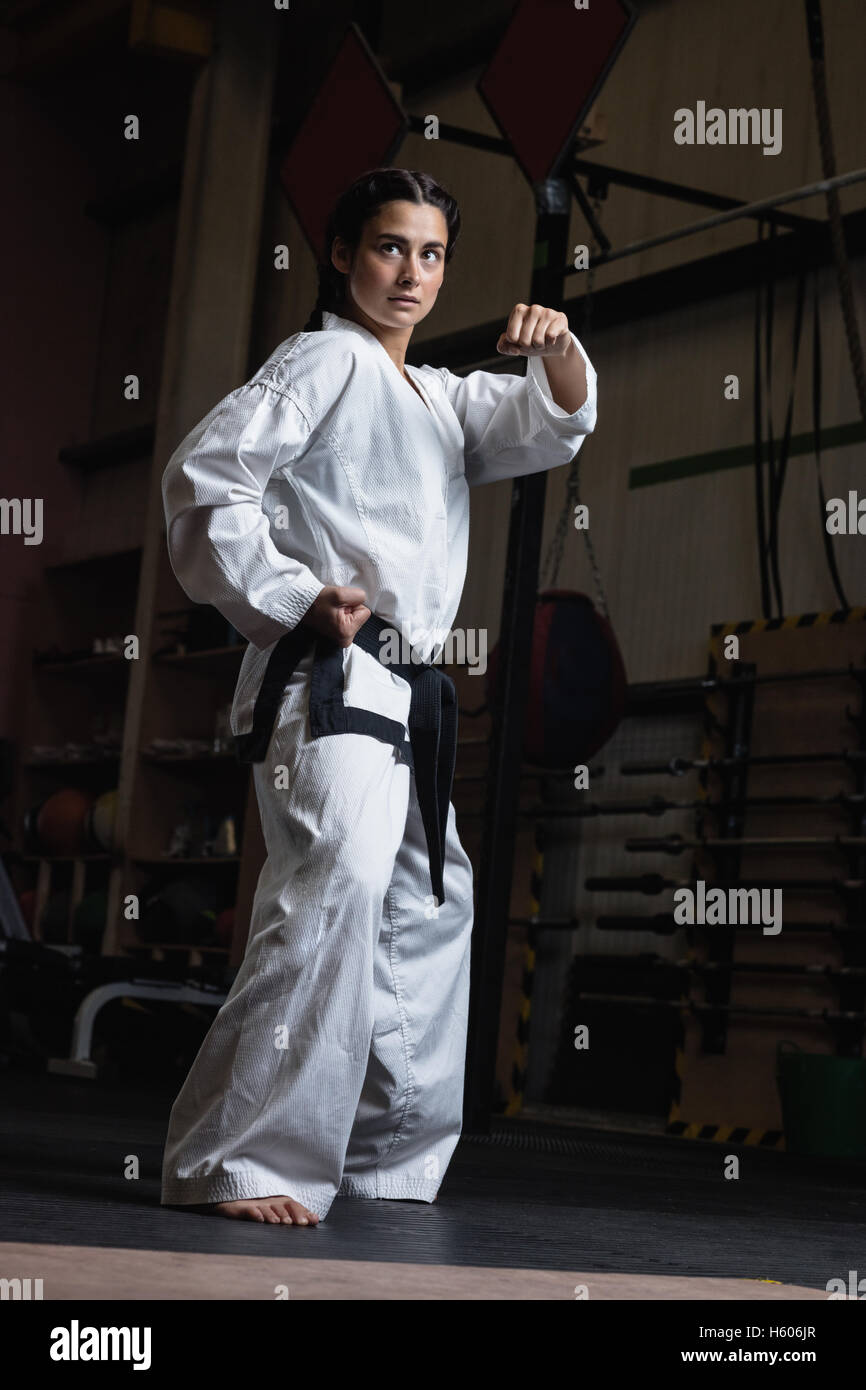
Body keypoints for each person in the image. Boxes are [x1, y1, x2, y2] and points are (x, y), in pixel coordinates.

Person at [159, 166, 597, 1226]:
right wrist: (295, 593)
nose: (410, 272)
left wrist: (558, 348)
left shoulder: (436, 397)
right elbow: (202, 480)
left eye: (432, 253)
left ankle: (386, 1160)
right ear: (346, 254)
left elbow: (552, 422)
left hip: (409, 693)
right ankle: (238, 1159)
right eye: (390, 247)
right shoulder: (321, 360)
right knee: (336, 891)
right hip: (331, 674)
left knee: (420, 917)